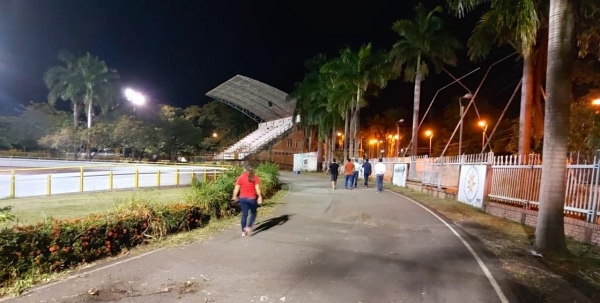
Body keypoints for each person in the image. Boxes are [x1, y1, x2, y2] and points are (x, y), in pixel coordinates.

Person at [231, 163, 263, 236]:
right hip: (252, 198)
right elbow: (257, 188)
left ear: (244, 169)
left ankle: (243, 232)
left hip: (243, 198)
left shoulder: (240, 177)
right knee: (253, 213)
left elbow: (236, 188)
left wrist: (234, 196)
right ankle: (248, 226)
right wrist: (260, 197)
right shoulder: (255, 177)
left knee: (244, 215)